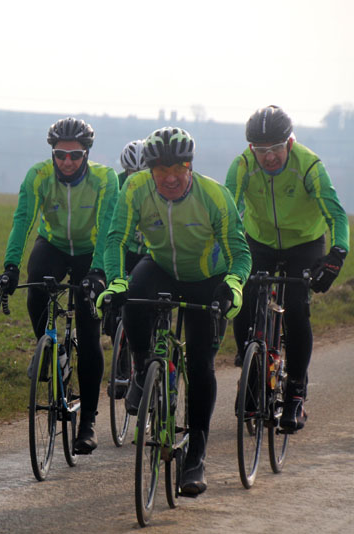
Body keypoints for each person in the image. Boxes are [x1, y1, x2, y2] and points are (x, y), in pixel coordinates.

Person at [97, 126, 251, 495]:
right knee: (133, 295)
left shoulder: (215, 195)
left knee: (199, 365)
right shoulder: (135, 188)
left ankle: (195, 456)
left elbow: (240, 253)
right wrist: (116, 282)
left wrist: (231, 287)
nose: (168, 178)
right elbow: (116, 238)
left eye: (176, 169)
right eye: (159, 170)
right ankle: (140, 369)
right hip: (162, 267)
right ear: (149, 170)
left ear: (189, 166)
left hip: (204, 278)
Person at [0, 117, 119, 455]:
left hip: (90, 250)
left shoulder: (105, 180)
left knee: (90, 333)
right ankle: (53, 349)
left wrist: (99, 272)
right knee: (36, 290)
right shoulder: (39, 176)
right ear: (53, 153)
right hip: (55, 245)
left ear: (86, 154)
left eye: (75, 155)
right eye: (60, 154)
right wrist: (10, 267)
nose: (67, 162)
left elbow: (108, 229)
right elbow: (23, 220)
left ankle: (88, 421)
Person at [226, 105, 350, 432]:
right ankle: (251, 368)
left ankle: (296, 393)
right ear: (251, 148)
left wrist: (337, 253)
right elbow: (227, 211)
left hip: (303, 243)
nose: (269, 157)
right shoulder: (242, 166)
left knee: (296, 308)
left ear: (289, 143)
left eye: (276, 149)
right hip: (259, 240)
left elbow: (336, 215)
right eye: (261, 150)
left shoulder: (308, 166)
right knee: (243, 298)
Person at [118, 139, 149, 274]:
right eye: (133, 173)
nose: (137, 178)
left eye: (143, 172)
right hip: (126, 250)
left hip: (150, 252)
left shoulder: (162, 187)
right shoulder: (117, 185)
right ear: (126, 171)